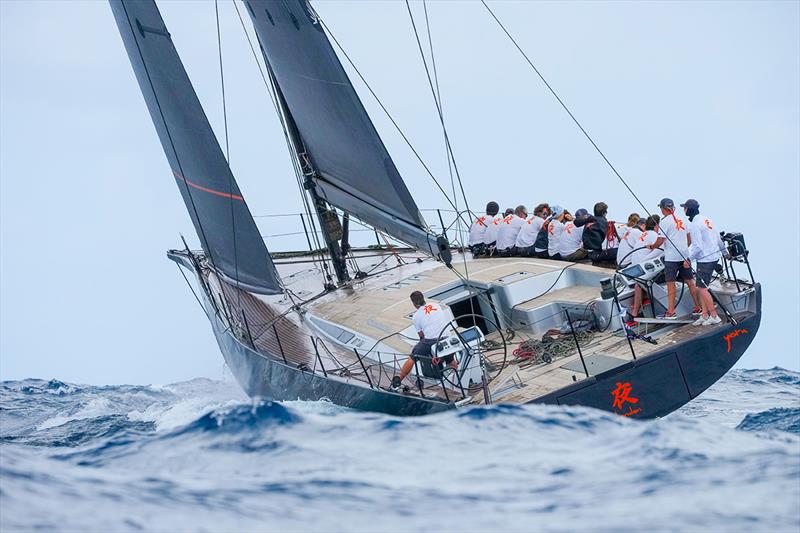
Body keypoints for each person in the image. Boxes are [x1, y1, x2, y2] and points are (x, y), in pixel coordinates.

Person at [391, 291, 457, 391]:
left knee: (413, 357)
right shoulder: (436, 305)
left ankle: (399, 379)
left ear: (413, 304)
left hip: (431, 340)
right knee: (451, 360)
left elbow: (421, 335)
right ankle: (457, 380)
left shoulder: (416, 316)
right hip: (446, 337)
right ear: (423, 299)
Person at [647, 198, 700, 319]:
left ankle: (671, 311)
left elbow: (659, 242)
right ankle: (698, 307)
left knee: (671, 284)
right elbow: (689, 239)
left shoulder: (664, 222)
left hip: (671, 258)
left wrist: (651, 246)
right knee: (691, 282)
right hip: (684, 255)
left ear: (662, 209)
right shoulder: (683, 219)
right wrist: (683, 249)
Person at [683, 199, 728, 326]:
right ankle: (704, 315)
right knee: (700, 287)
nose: (684, 210)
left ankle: (714, 316)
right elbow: (718, 239)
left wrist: (688, 259)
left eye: (685, 208)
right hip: (713, 256)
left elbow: (697, 247)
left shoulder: (694, 225)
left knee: (702, 289)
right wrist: (725, 253)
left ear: (688, 210)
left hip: (705, 259)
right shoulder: (707, 220)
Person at [628, 215, 660, 321]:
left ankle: (634, 313)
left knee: (639, 284)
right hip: (643, 269)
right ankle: (636, 312)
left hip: (636, 268)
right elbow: (658, 251)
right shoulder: (655, 235)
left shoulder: (644, 234)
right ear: (656, 225)